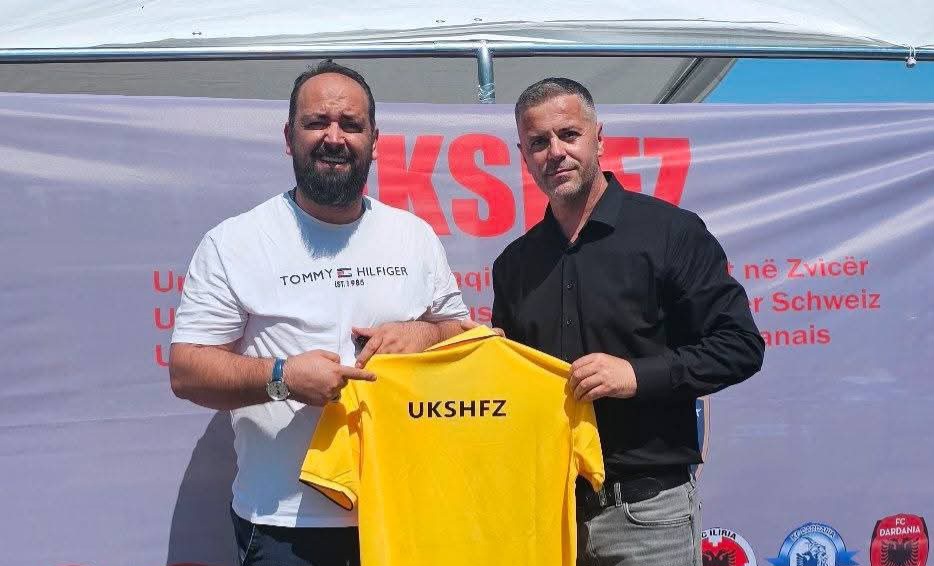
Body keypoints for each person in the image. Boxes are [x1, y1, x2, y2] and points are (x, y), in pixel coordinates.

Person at [169, 60, 469, 566]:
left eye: (351, 124)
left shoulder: (413, 235)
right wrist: (282, 378)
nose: (334, 138)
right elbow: (186, 370)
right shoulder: (235, 242)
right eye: (316, 123)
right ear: (289, 137)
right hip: (285, 525)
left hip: (403, 511)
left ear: (375, 141)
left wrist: (423, 335)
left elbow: (462, 334)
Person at [492, 77, 765, 566]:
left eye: (568, 134)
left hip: (648, 516)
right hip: (547, 515)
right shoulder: (514, 265)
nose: (555, 152)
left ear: (599, 139)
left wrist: (636, 375)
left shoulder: (670, 232)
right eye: (538, 142)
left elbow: (740, 345)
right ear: (524, 156)